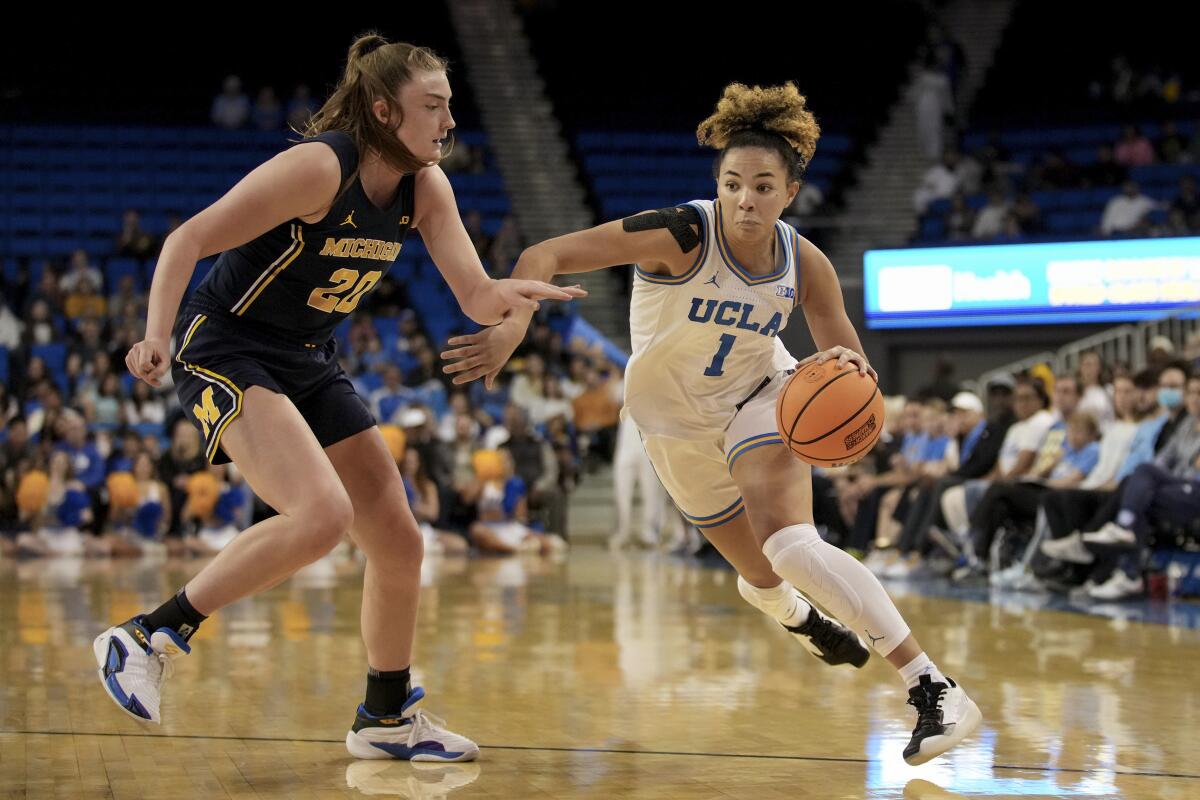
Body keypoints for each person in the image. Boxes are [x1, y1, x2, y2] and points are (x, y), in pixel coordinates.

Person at [443, 81, 980, 765]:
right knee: (761, 579)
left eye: (762, 186)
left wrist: (854, 399)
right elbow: (544, 255)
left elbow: (846, 356)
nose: (745, 200)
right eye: (733, 184)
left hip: (763, 396)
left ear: (790, 192)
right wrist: (514, 321)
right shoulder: (680, 232)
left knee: (790, 546)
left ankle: (931, 686)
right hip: (671, 423)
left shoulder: (803, 261)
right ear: (716, 185)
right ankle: (794, 615)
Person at [94, 33, 583, 763]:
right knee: (322, 515)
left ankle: (385, 718)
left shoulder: (427, 187)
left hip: (307, 359)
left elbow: (478, 294)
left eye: (450, 105)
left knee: (399, 540)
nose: (449, 122)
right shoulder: (321, 168)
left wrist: (514, 315)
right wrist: (155, 334)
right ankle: (145, 635)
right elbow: (186, 237)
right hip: (226, 344)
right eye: (433, 107)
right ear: (384, 112)